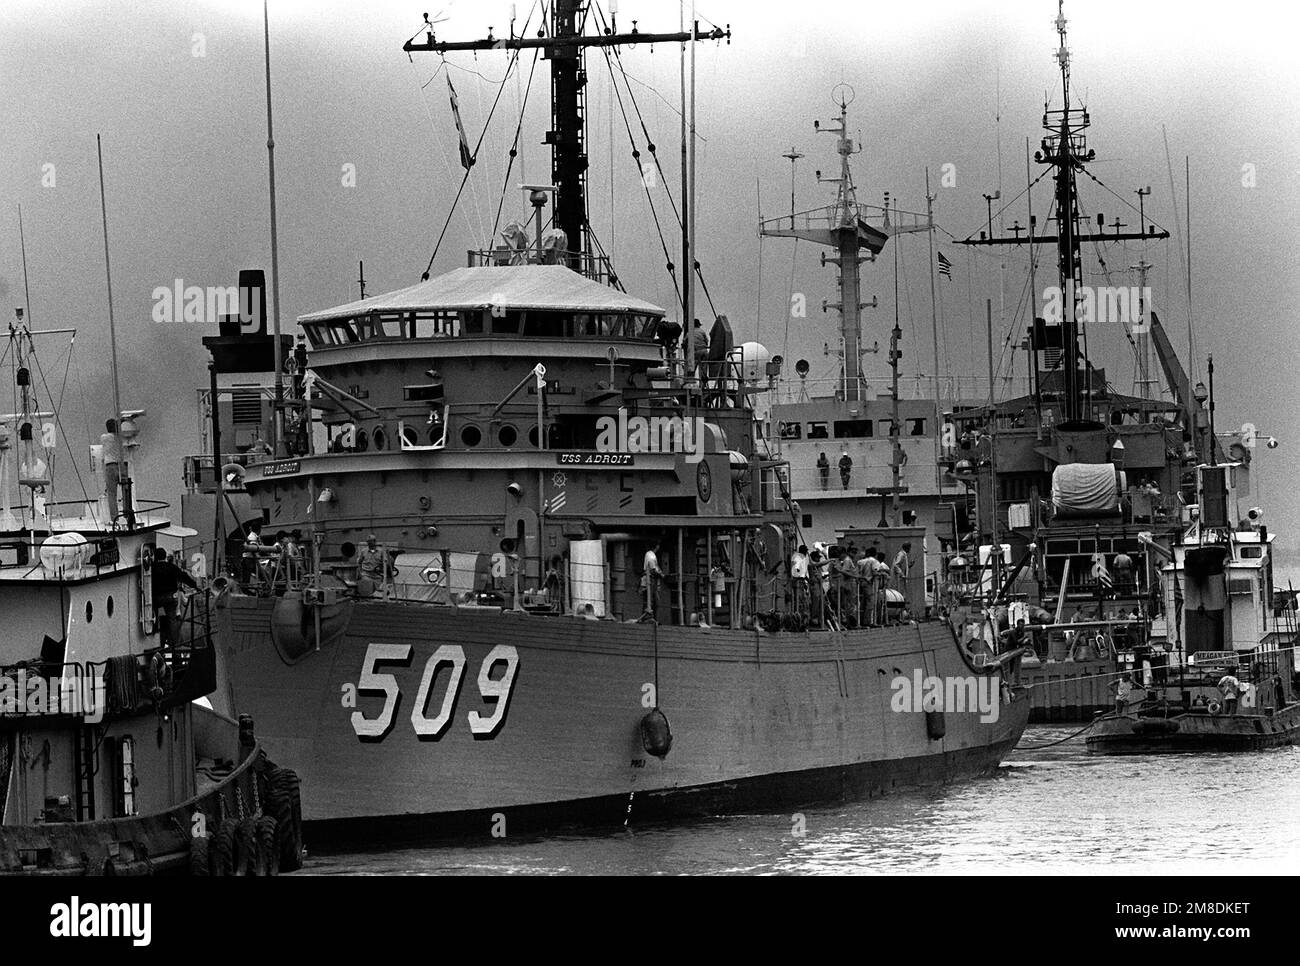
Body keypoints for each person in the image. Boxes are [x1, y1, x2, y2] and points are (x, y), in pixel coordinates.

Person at [152, 547, 199, 647]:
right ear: (165, 556)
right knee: (172, 620)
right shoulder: (171, 567)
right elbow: (183, 576)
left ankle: (156, 641)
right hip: (171, 596)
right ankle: (176, 645)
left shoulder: (152, 568)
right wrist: (195, 586)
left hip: (157, 598)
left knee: (155, 618)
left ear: (155, 556)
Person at [100, 419, 125, 526]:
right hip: (121, 466)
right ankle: (128, 513)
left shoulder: (104, 438)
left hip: (110, 466)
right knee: (126, 491)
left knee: (112, 494)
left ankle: (115, 518)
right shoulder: (120, 438)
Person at [642, 540, 664, 620]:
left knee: (648, 600)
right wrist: (661, 575)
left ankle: (648, 617)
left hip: (649, 579)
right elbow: (653, 570)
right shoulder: (652, 556)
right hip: (651, 580)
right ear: (656, 546)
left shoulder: (648, 554)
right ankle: (650, 618)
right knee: (651, 600)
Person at [790, 544, 810, 616]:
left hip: (800, 581)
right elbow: (797, 570)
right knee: (799, 599)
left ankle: (800, 614)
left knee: (801, 599)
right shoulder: (799, 558)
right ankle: (798, 615)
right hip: (797, 581)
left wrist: (807, 580)